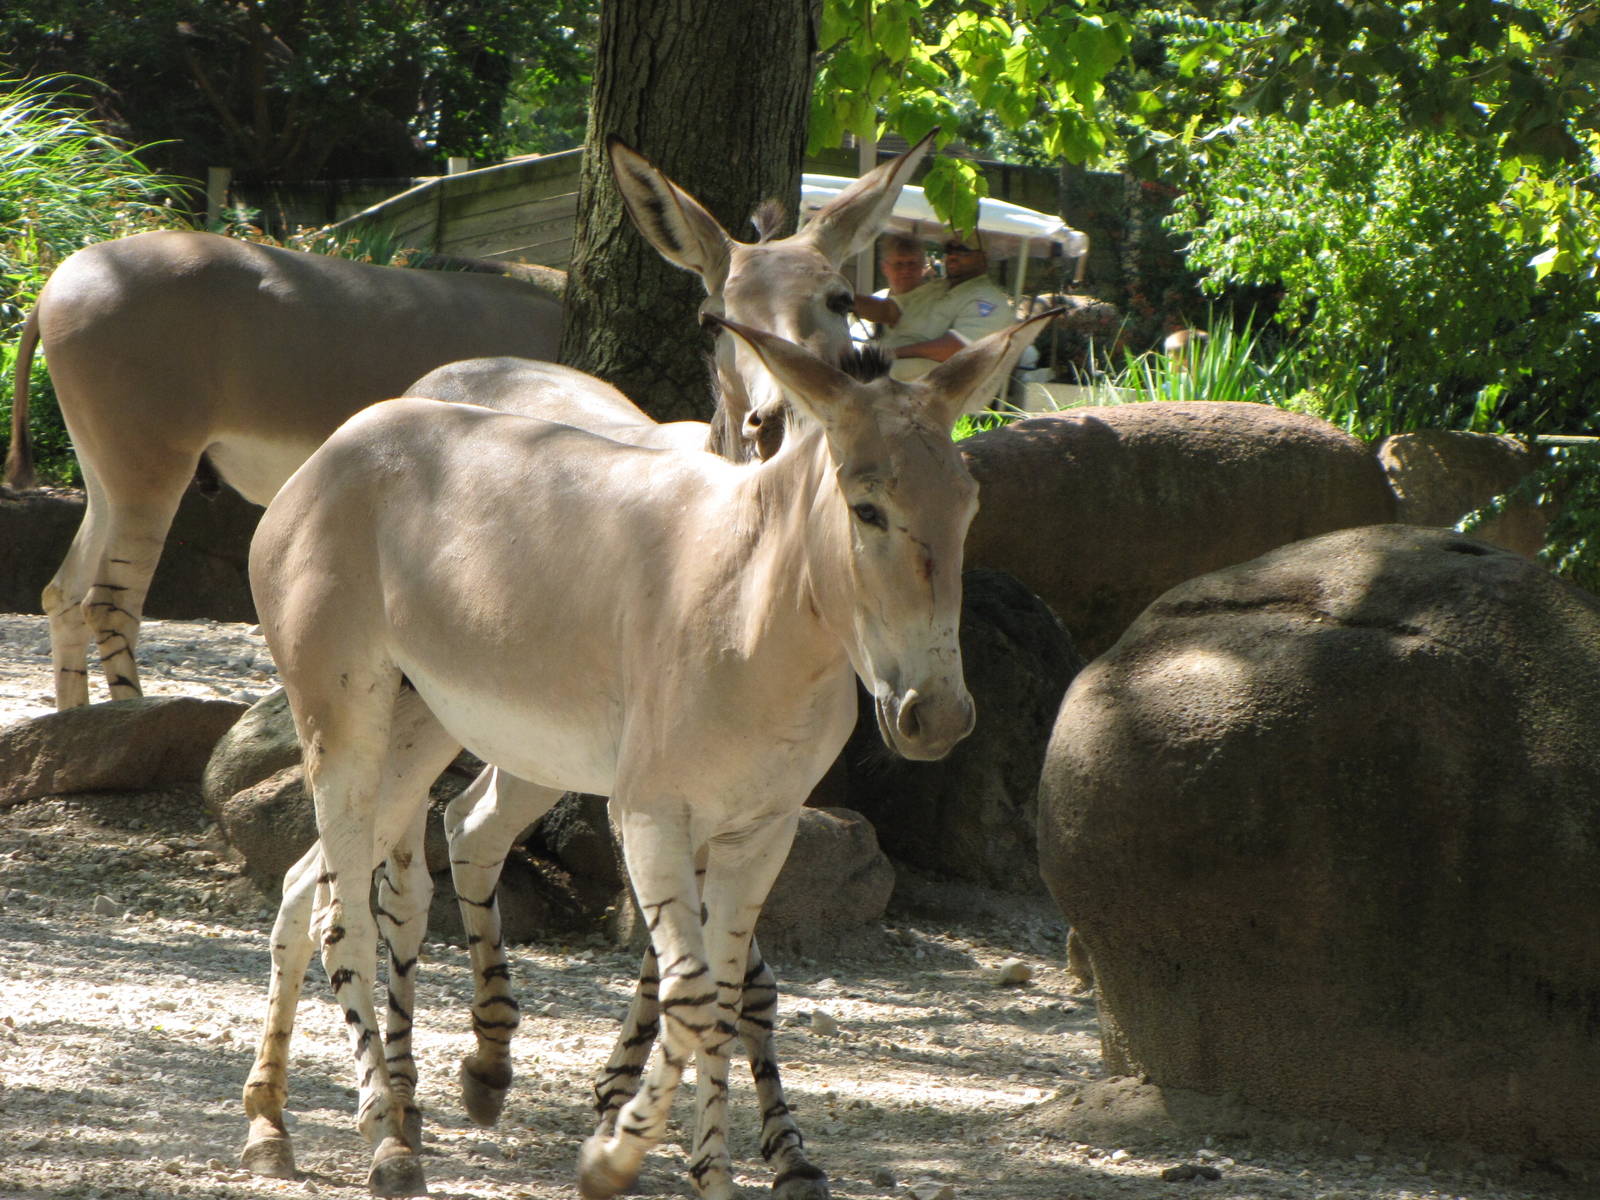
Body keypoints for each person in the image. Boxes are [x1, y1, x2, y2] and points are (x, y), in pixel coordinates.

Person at [855, 235, 1020, 380]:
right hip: (894, 373)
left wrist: (891, 353)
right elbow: (888, 311)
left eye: (964, 250)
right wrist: (843, 297)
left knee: (861, 377)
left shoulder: (988, 300)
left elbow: (956, 349)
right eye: (950, 249)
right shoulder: (936, 288)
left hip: (934, 389)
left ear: (983, 258)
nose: (954, 256)